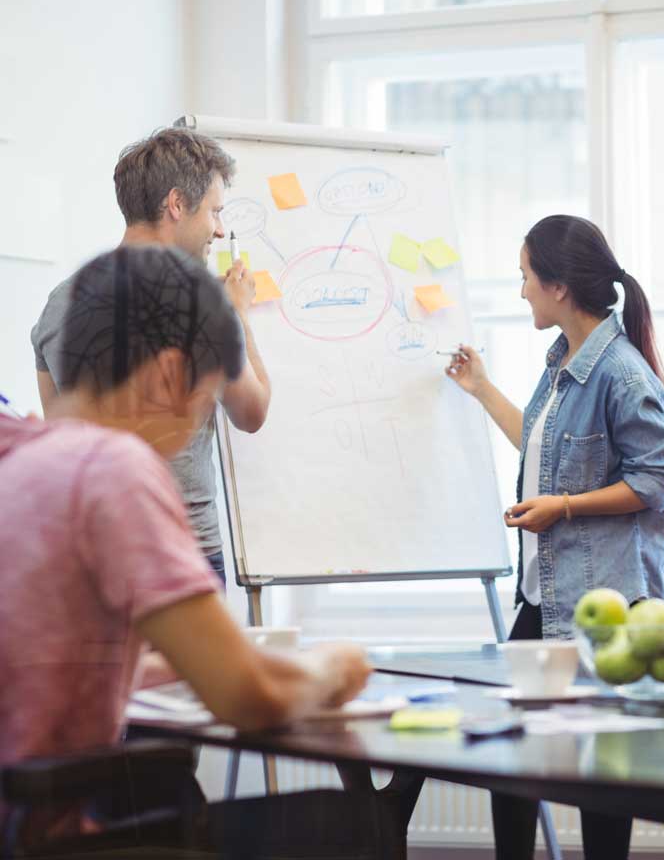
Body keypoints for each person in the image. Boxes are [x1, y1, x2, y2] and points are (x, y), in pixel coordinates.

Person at [0, 246, 383, 856]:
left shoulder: (20, 456)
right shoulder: (111, 467)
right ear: (169, 374)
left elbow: (50, 657)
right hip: (45, 838)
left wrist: (182, 661)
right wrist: (330, 670)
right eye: (207, 392)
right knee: (345, 822)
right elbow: (246, 698)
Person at [447, 214, 664, 860]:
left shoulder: (622, 372)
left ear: (558, 286)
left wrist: (566, 508)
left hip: (603, 606)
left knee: (600, 782)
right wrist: (481, 389)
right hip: (545, 600)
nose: (521, 290)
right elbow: (545, 452)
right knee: (510, 763)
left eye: (525, 276)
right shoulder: (562, 364)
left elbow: (658, 478)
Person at [30, 127, 272, 585]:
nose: (219, 231)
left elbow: (57, 437)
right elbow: (252, 411)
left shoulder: (59, 303)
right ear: (177, 204)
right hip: (178, 554)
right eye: (214, 212)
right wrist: (237, 312)